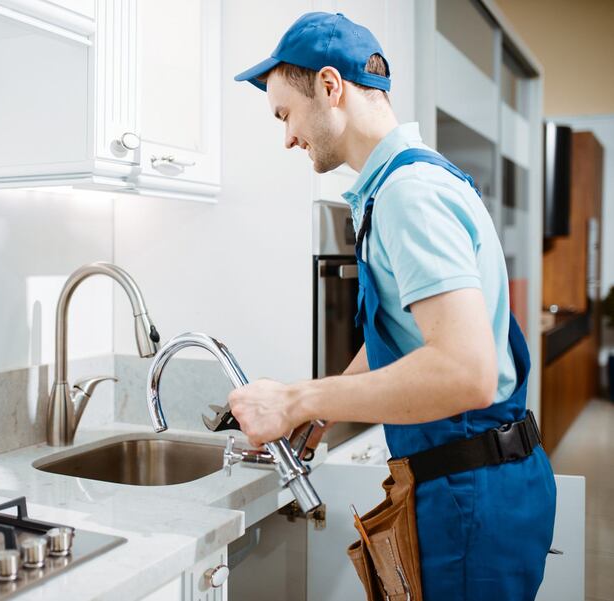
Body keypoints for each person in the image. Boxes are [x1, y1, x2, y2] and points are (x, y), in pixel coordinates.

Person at [229, 12, 556, 601]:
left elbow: (464, 372)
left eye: (285, 114)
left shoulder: (409, 195)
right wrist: (323, 410)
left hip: (469, 495)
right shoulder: (407, 182)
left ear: (330, 88)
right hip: (475, 482)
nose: (287, 138)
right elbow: (406, 334)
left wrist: (298, 398)